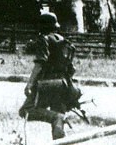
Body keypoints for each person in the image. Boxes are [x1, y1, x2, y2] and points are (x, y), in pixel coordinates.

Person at [18, 12, 79, 140]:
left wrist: (29, 84)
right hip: (63, 84)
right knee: (58, 123)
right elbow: (71, 68)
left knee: (26, 110)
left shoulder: (44, 39)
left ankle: (56, 117)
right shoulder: (64, 41)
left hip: (47, 83)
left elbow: (40, 63)